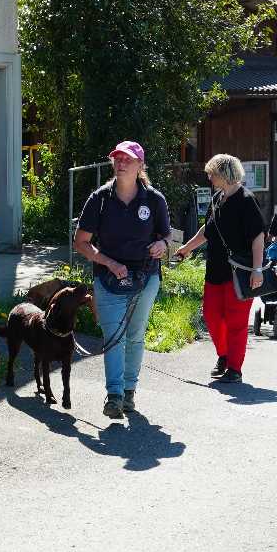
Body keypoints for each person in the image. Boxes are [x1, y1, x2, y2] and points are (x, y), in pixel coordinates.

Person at [74, 140, 171, 419]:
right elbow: (81, 242)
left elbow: (166, 235)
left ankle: (129, 392)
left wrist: (163, 245)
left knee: (135, 335)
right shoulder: (100, 199)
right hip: (108, 278)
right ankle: (114, 396)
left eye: (128, 159)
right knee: (114, 337)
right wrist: (109, 262)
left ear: (140, 165)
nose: (121, 163)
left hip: (146, 277)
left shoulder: (154, 199)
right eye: (117, 158)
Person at [173, 153, 266, 384]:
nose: (209, 177)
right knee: (211, 315)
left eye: (212, 173)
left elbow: (258, 237)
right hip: (215, 269)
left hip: (240, 272)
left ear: (224, 174)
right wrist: (186, 248)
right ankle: (224, 355)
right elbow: (207, 230)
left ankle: (234, 368)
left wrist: (257, 269)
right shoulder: (217, 198)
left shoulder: (246, 200)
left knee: (236, 322)